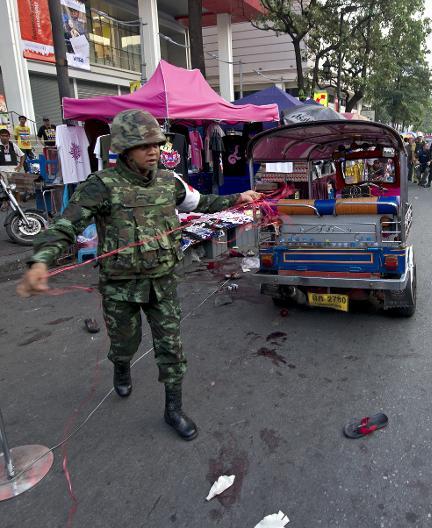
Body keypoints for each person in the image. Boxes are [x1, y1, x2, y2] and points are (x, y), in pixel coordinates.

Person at [17, 109, 263, 441]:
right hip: (120, 288)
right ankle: (121, 367)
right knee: (124, 344)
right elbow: (65, 226)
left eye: (157, 144)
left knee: (171, 348)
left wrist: (239, 197)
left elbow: (201, 202)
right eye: (144, 145)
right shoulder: (101, 186)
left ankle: (173, 409)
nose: (154, 151)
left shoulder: (167, 182)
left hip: (162, 283)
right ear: (123, 148)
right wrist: (40, 261)